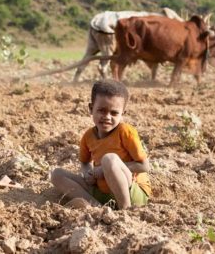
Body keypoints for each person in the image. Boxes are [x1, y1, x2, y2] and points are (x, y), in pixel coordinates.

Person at [51, 79, 151, 209]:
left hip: (131, 192)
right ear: (91, 108)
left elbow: (144, 166)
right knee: (57, 174)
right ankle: (96, 207)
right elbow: (85, 162)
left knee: (109, 159)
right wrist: (88, 174)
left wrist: (103, 169)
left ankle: (125, 210)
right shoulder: (88, 136)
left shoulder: (125, 132)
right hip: (101, 192)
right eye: (102, 110)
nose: (107, 117)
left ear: (122, 114)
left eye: (114, 113)